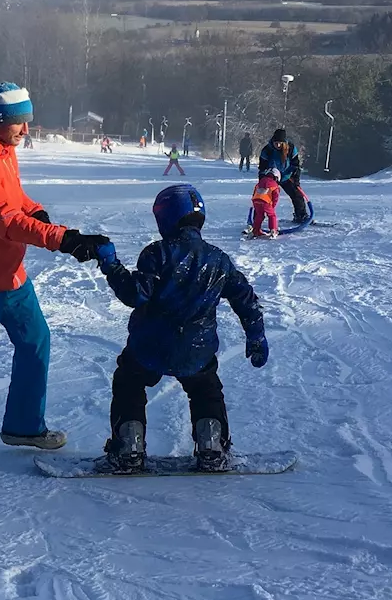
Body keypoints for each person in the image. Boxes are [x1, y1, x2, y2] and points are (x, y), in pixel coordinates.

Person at [0, 82, 112, 465]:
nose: (25, 130)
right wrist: (61, 239)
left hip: (9, 271)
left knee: (35, 342)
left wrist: (36, 210)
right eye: (18, 122)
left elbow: (14, 200)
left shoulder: (2, 150)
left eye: (26, 121)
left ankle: (23, 425)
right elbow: (2, 219)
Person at [93, 184, 269, 472]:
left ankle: (129, 447)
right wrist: (256, 334)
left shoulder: (156, 254)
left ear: (164, 219)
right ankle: (212, 446)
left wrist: (111, 265)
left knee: (129, 383)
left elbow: (135, 294)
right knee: (205, 390)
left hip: (149, 347)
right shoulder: (218, 259)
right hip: (196, 350)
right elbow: (245, 298)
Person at [259, 128, 309, 223]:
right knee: (262, 198)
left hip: (287, 177)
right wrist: (262, 182)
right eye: (276, 143)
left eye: (280, 143)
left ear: (284, 143)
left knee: (297, 195)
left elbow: (296, 165)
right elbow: (262, 168)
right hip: (271, 179)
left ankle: (301, 216)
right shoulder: (267, 150)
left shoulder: (290, 148)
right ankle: (257, 219)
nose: (277, 145)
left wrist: (296, 180)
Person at [245, 168, 281, 238]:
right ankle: (273, 230)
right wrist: (272, 206)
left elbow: (254, 192)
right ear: (276, 177)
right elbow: (275, 197)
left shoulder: (260, 182)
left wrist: (254, 202)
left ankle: (255, 230)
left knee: (259, 215)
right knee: (272, 215)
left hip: (256, 201)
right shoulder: (274, 185)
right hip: (266, 202)